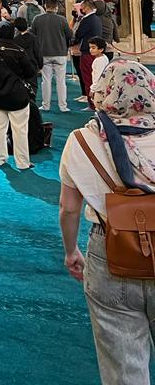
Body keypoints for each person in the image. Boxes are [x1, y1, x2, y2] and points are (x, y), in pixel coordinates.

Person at [59, 60, 155, 385]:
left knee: (123, 372)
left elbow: (68, 209)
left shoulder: (81, 141)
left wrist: (71, 251)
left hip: (110, 251)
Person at [0, 23, 37, 171]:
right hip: (17, 96)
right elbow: (30, 72)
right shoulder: (19, 51)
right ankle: (22, 162)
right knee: (20, 130)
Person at [32, 0, 72, 113]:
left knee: (46, 81)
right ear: (56, 7)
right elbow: (70, 35)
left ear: (45, 6)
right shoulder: (62, 20)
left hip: (44, 53)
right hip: (60, 53)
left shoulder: (37, 19)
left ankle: (46, 105)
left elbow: (32, 35)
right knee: (61, 81)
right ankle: (63, 106)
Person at [74, 0, 104, 105]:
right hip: (95, 51)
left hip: (88, 51)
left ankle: (91, 104)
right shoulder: (96, 18)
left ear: (86, 8)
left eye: (82, 8)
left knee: (88, 78)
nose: (81, 10)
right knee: (94, 77)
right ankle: (95, 102)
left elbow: (79, 34)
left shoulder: (87, 19)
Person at [13, 16, 41, 94]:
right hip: (32, 65)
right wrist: (40, 64)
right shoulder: (33, 38)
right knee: (33, 85)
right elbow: (37, 52)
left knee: (21, 85)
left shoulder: (15, 40)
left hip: (20, 66)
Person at [87, 37, 110, 107]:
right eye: (90, 47)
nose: (91, 50)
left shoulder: (99, 61)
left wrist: (92, 89)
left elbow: (99, 76)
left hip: (100, 88)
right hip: (101, 87)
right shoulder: (103, 58)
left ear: (101, 49)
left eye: (93, 48)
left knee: (99, 106)